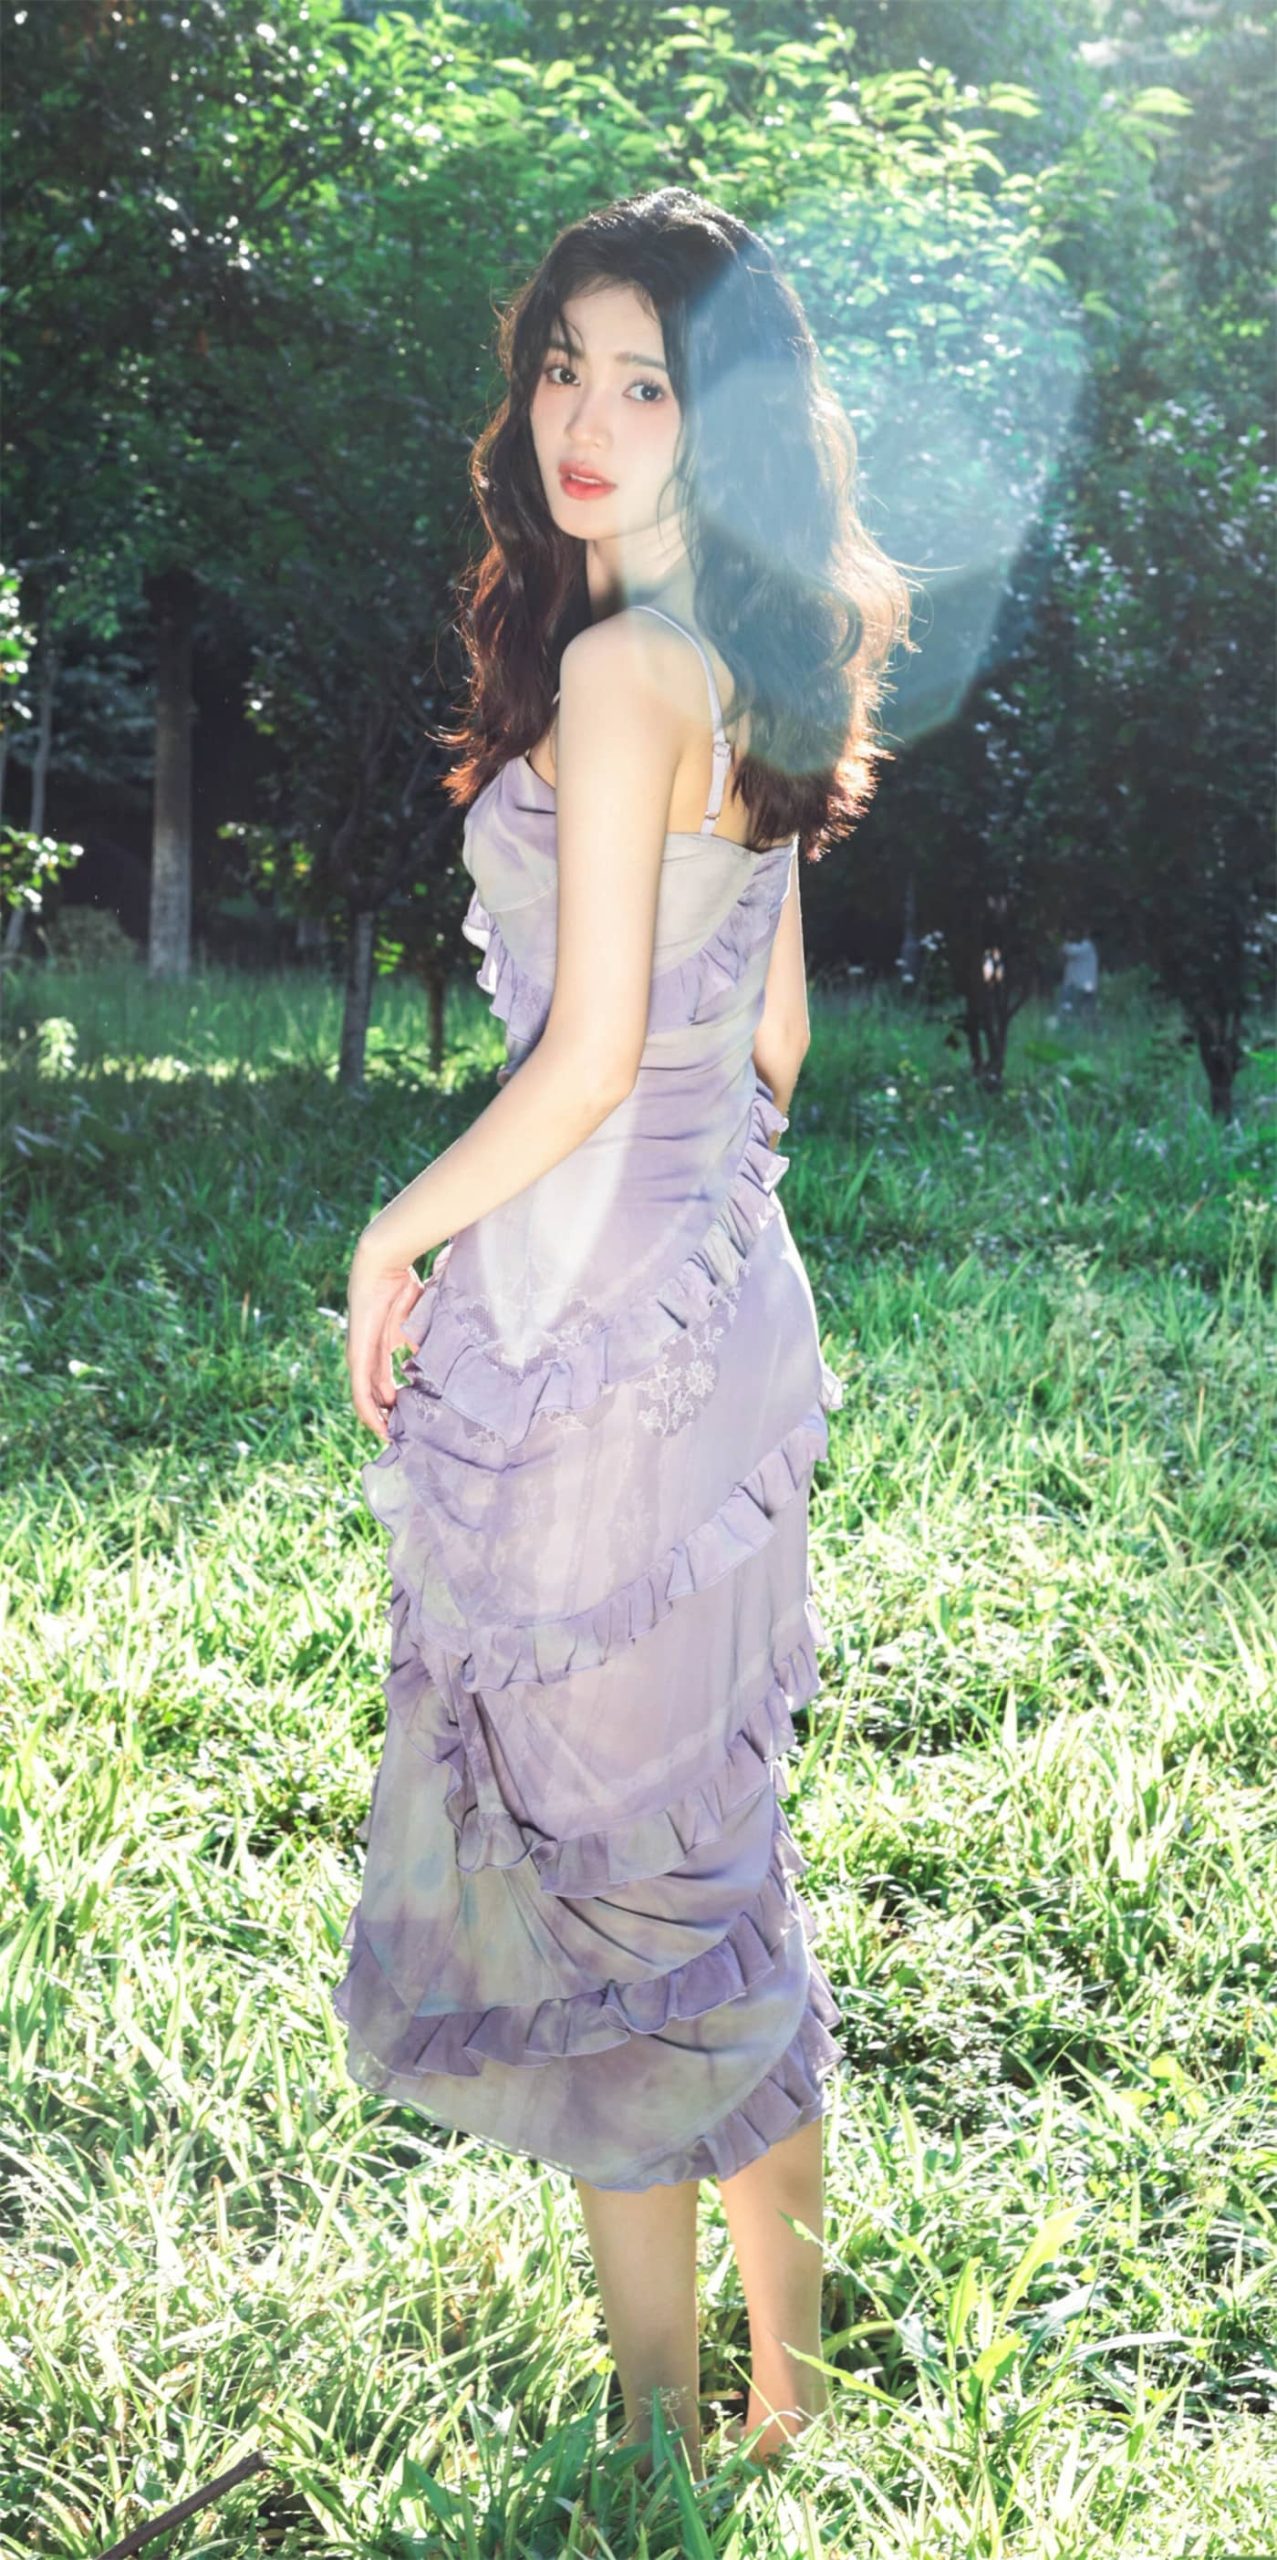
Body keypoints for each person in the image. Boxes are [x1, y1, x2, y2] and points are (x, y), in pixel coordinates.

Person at [335, 186, 912, 2485]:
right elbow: (770, 1036)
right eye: (561, 365)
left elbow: (583, 1059)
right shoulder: (742, 659)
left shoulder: (612, 674)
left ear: (719, 416)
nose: (582, 415)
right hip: (717, 1306)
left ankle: (662, 2443)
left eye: (643, 379)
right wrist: (688, 1223)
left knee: (608, 1894)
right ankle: (788, 2393)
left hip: (597, 1334)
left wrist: (401, 1230)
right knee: (711, 1860)